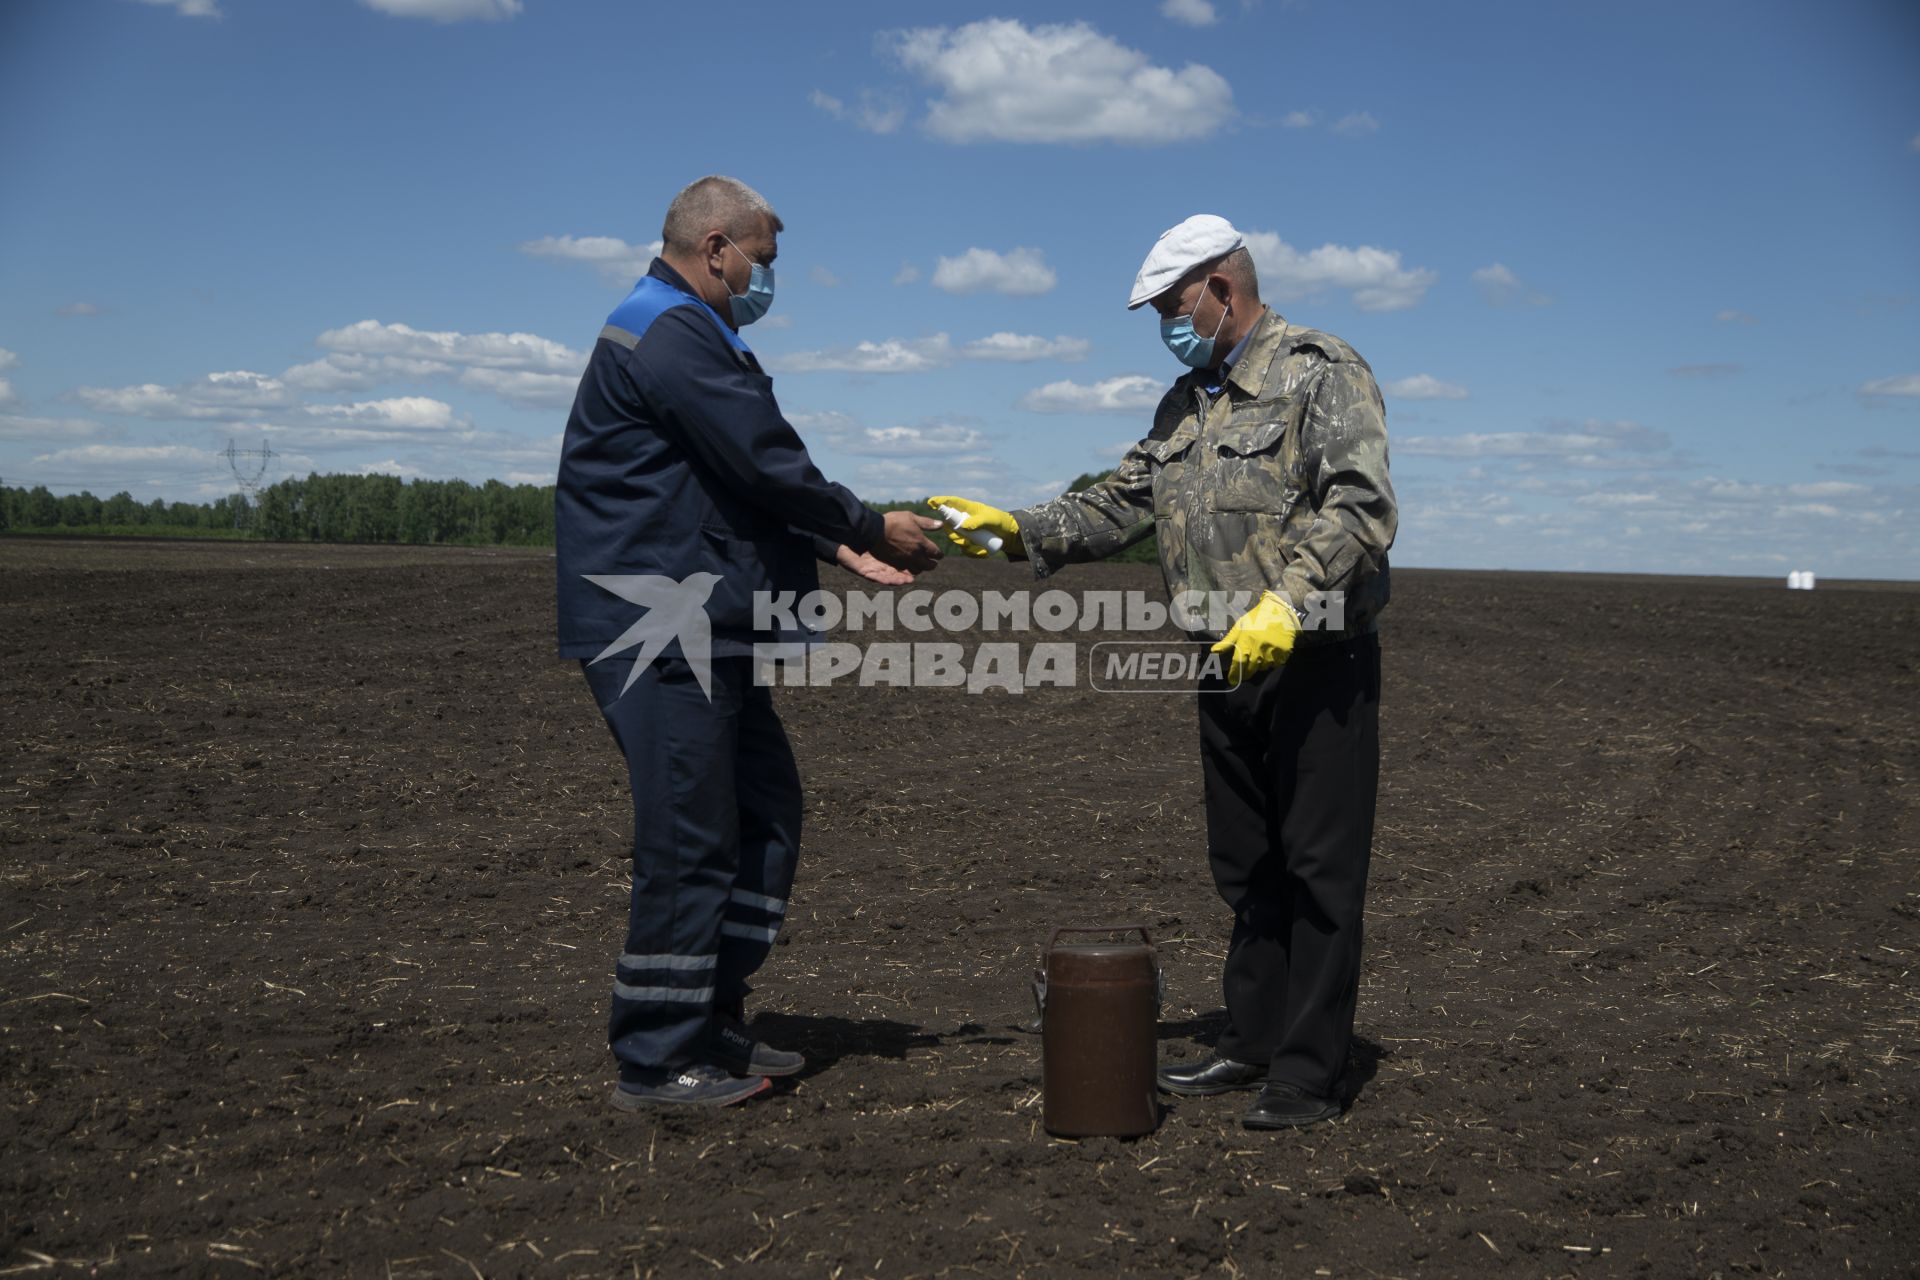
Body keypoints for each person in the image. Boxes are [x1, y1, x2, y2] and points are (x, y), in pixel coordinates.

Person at [931, 214, 1395, 1129]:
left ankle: (1307, 1072)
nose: (1168, 331)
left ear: (1223, 289)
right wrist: (1022, 528)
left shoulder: (1321, 371)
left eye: (1175, 309)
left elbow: (1359, 506)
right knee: (1248, 866)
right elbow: (1125, 496)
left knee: (1318, 872)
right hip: (1224, 662)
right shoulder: (1189, 402)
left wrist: (1286, 604)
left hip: (1315, 661)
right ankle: (1252, 1038)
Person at [555, 175, 942, 1109]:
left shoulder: (689, 330)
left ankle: (712, 1013)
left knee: (763, 812)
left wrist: (835, 543)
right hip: (660, 628)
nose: (768, 281)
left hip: (712, 625)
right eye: (762, 263)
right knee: (691, 834)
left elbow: (733, 485)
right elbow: (763, 454)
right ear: (717, 245)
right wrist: (864, 522)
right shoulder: (669, 329)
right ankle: (656, 1055)